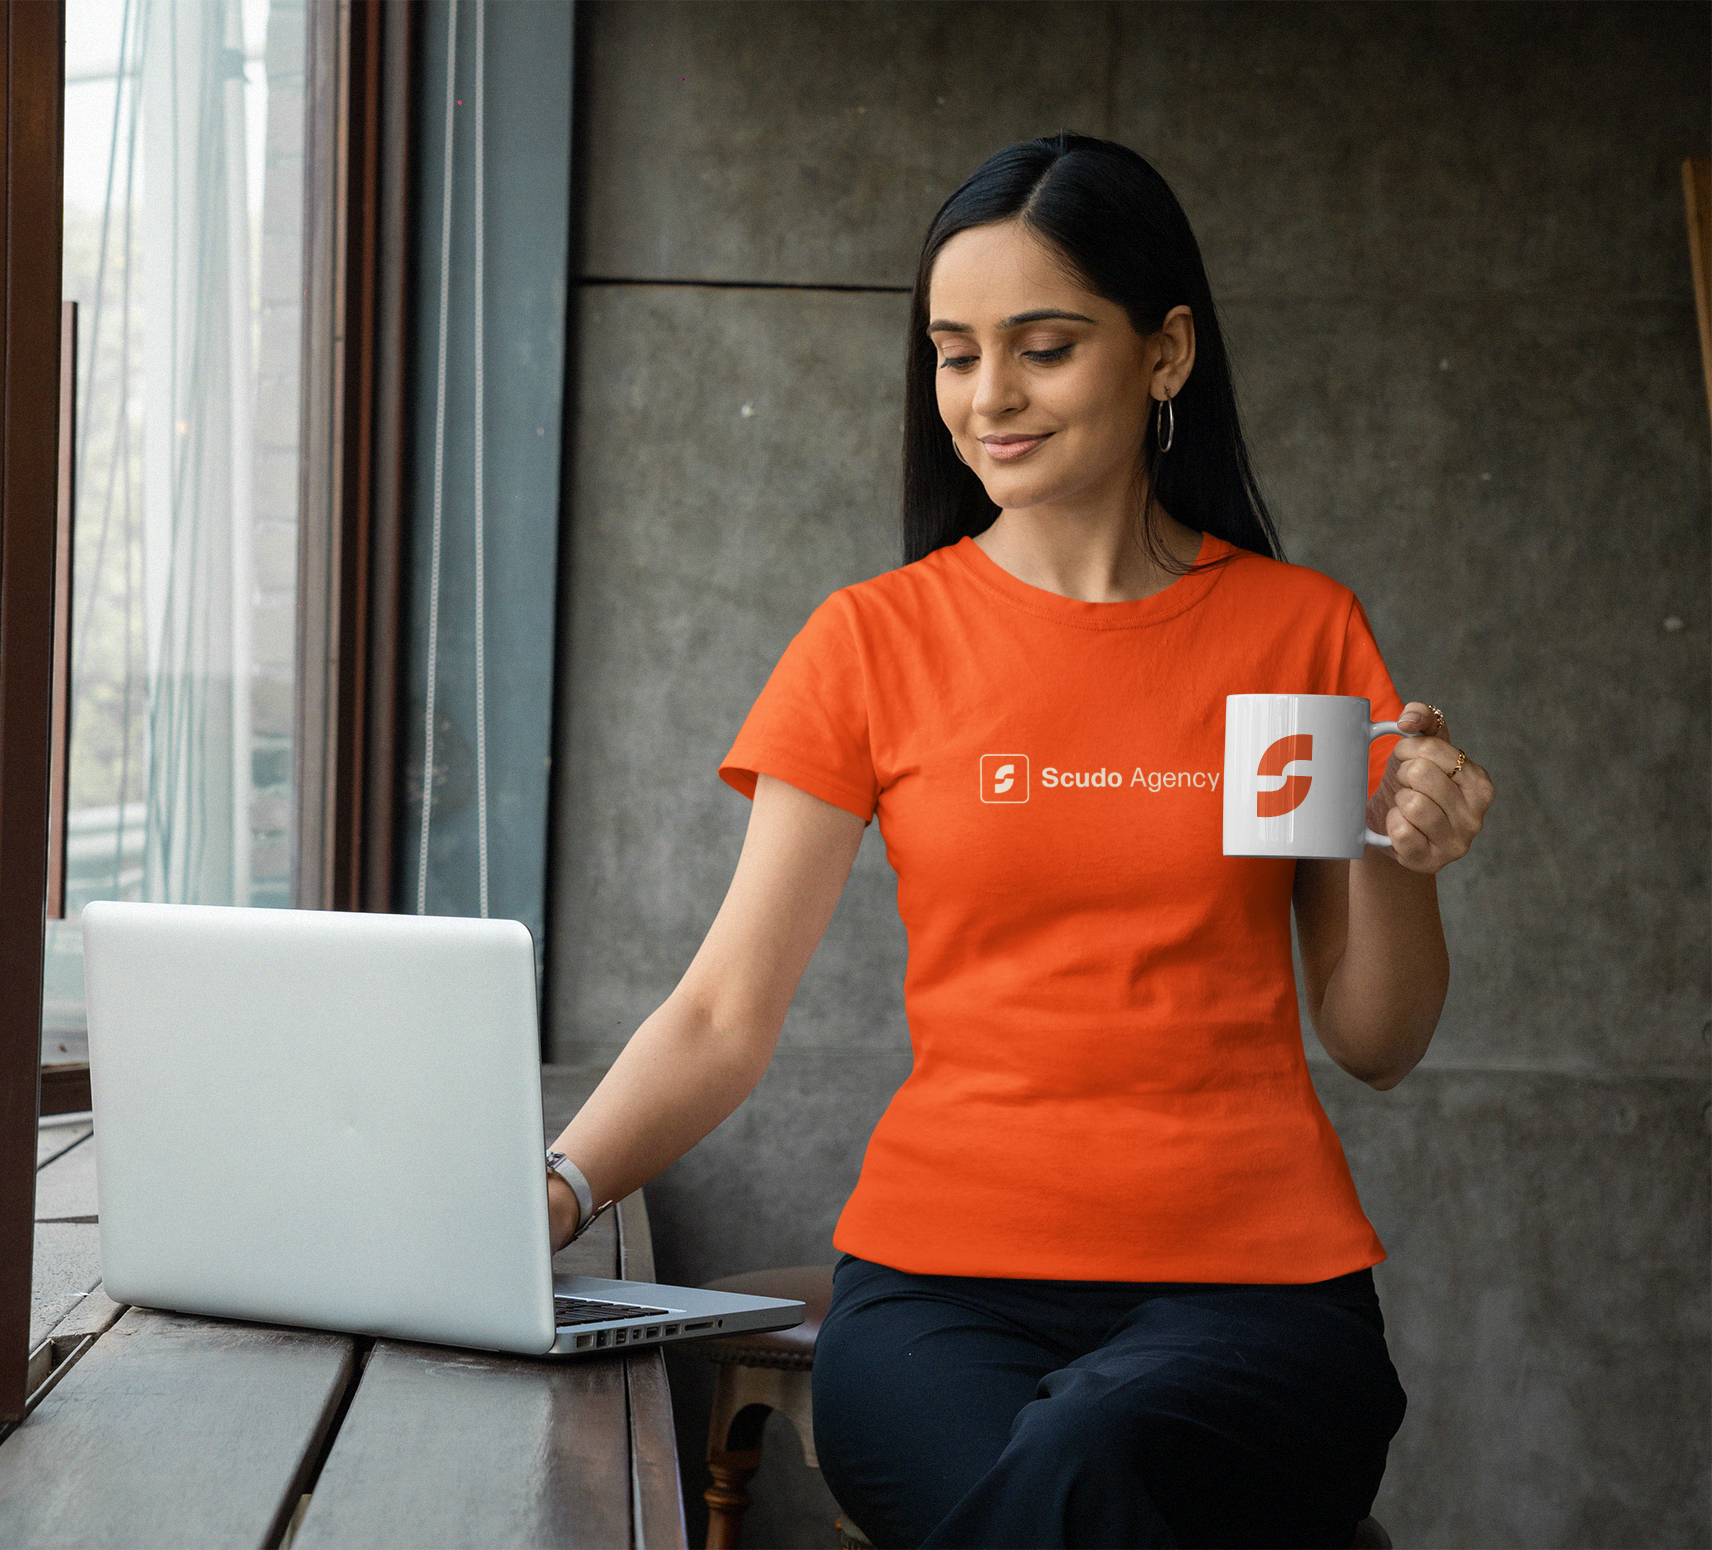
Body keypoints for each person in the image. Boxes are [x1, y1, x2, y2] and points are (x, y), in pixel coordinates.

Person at [543, 133, 1495, 1550]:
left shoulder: (1291, 636)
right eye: (953, 352)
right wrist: (552, 1191)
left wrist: (1402, 858)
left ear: (1164, 352)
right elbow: (725, 1009)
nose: (987, 397)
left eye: (1042, 348)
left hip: (1256, 1289)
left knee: (1083, 1452)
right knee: (1068, 1474)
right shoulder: (873, 642)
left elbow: (1374, 1033)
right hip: (937, 1291)